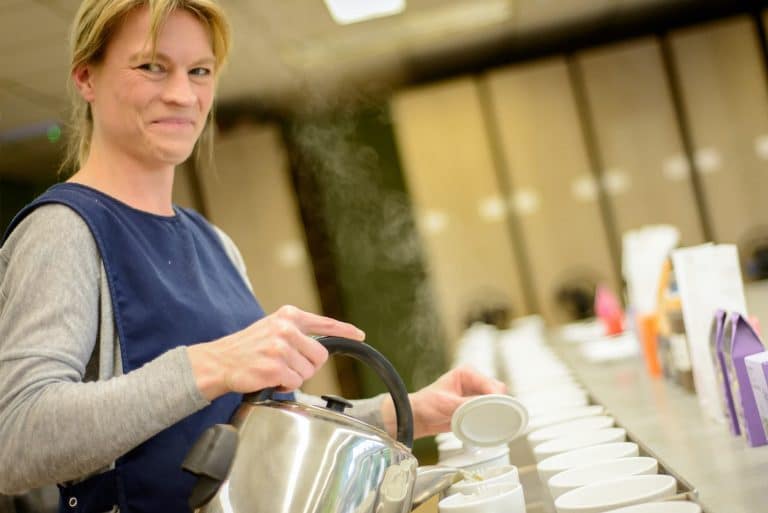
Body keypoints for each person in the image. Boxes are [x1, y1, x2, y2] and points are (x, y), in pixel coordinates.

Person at [0, 1, 507, 512]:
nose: (182, 94)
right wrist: (211, 364)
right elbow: (15, 439)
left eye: (200, 71)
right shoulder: (63, 231)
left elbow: (257, 419)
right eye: (152, 66)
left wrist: (407, 411)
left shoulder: (213, 242)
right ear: (87, 77)